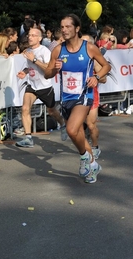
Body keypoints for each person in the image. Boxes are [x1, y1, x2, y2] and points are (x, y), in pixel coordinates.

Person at [44, 14, 111, 183]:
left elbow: (106, 66)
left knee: (72, 129)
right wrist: (54, 69)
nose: (64, 30)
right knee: (78, 135)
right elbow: (47, 74)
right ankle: (93, 165)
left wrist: (96, 76)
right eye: (62, 27)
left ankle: (84, 159)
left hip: (84, 96)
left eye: (68, 27)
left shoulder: (88, 48)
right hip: (66, 98)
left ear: (77, 28)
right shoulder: (58, 50)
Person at [15, 28, 66, 148]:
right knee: (25, 108)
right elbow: (30, 66)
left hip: (44, 86)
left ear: (39, 38)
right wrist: (24, 72)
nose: (30, 37)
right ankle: (28, 138)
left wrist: (34, 59)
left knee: (52, 111)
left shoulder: (44, 51)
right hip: (32, 85)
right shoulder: (27, 50)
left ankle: (63, 124)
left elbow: (49, 68)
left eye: (33, 35)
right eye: (29, 35)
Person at [81, 34, 107, 159]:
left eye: (85, 42)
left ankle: (95, 146)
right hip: (77, 95)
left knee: (91, 125)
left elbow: (104, 79)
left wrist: (95, 78)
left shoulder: (95, 59)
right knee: (78, 125)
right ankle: (84, 149)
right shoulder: (75, 56)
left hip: (91, 94)